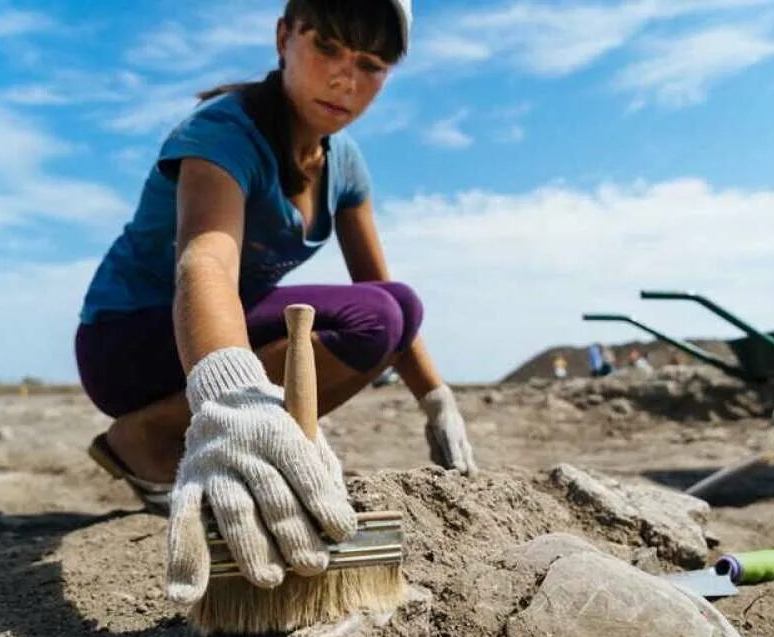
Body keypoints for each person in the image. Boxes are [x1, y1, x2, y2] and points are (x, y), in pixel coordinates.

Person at [74, 0, 475, 604]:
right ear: (285, 35)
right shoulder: (224, 132)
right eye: (329, 48)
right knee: (380, 317)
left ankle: (225, 440)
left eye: (370, 64)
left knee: (393, 311)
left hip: (223, 326)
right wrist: (230, 398)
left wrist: (436, 401)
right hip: (130, 338)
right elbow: (204, 262)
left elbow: (384, 292)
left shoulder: (344, 163)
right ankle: (147, 438)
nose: (346, 77)